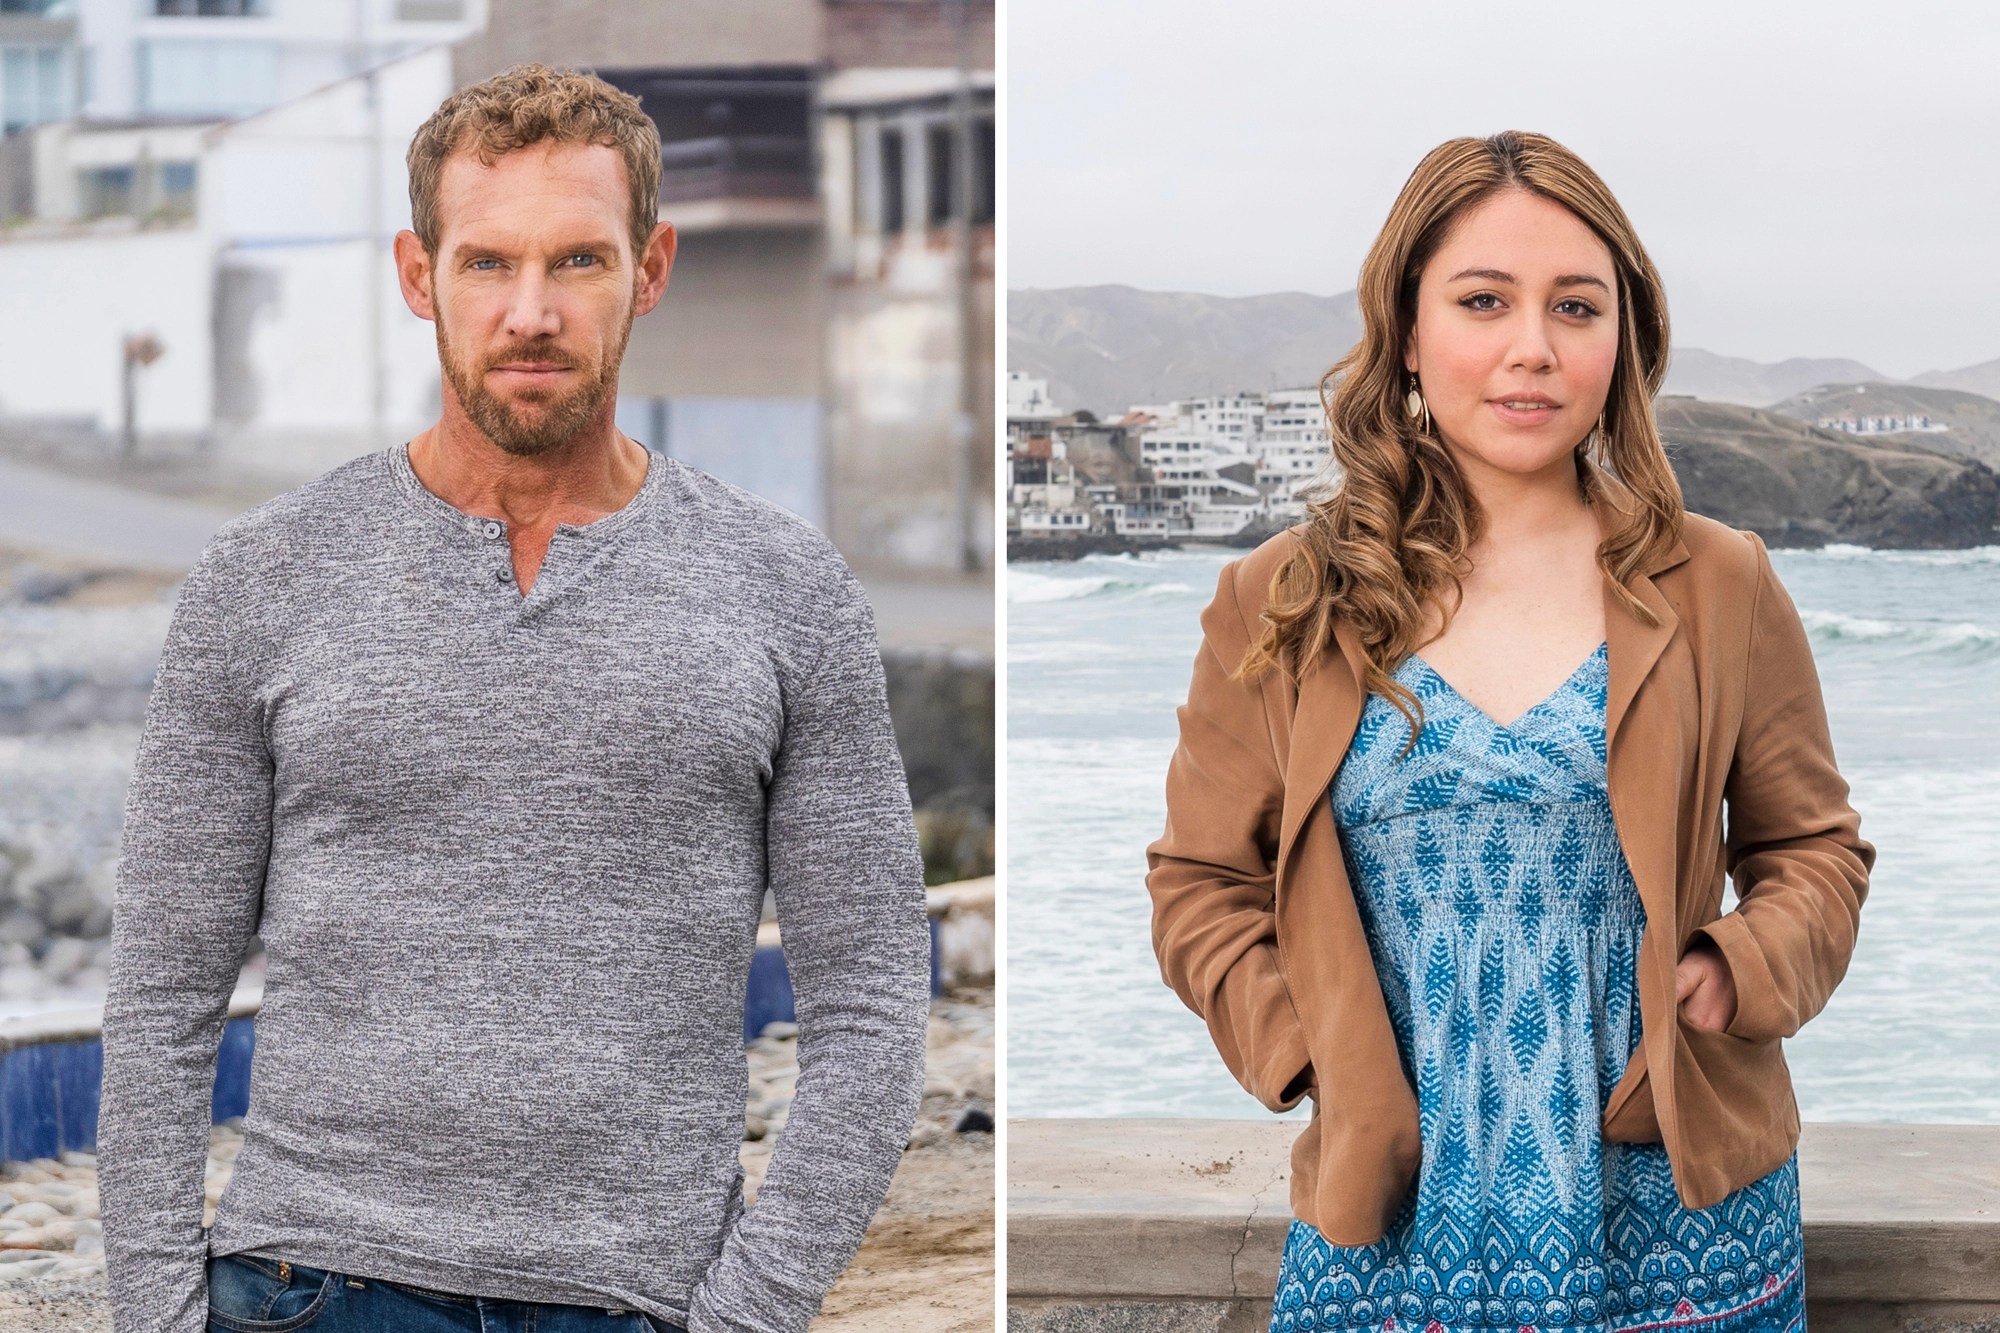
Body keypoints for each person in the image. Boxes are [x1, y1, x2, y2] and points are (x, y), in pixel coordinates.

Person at [96, 64, 931, 1333]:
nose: (530, 311)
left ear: (648, 271)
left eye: (578, 262)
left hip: (638, 1301)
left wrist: (747, 1313)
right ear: (418, 273)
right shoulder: (261, 578)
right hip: (311, 1286)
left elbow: (872, 1007)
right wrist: (158, 1317)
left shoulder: (785, 587)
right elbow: (161, 996)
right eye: (487, 263)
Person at [1147, 130, 1874, 1333]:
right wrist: (1308, 1049)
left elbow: (1814, 852)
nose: (1530, 346)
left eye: (1574, 306)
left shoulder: (1718, 582)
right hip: (1387, 1220)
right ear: (1409, 328)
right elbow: (1199, 881)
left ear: (1620, 339)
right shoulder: (1282, 596)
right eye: (1483, 300)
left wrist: (1729, 975)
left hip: (1681, 1222)